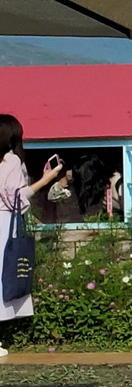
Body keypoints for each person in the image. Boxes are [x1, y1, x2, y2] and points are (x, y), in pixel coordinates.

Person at [0, 115, 69, 355]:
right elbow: (16, 197)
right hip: (5, 223)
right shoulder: (10, 160)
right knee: (6, 273)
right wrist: (47, 179)